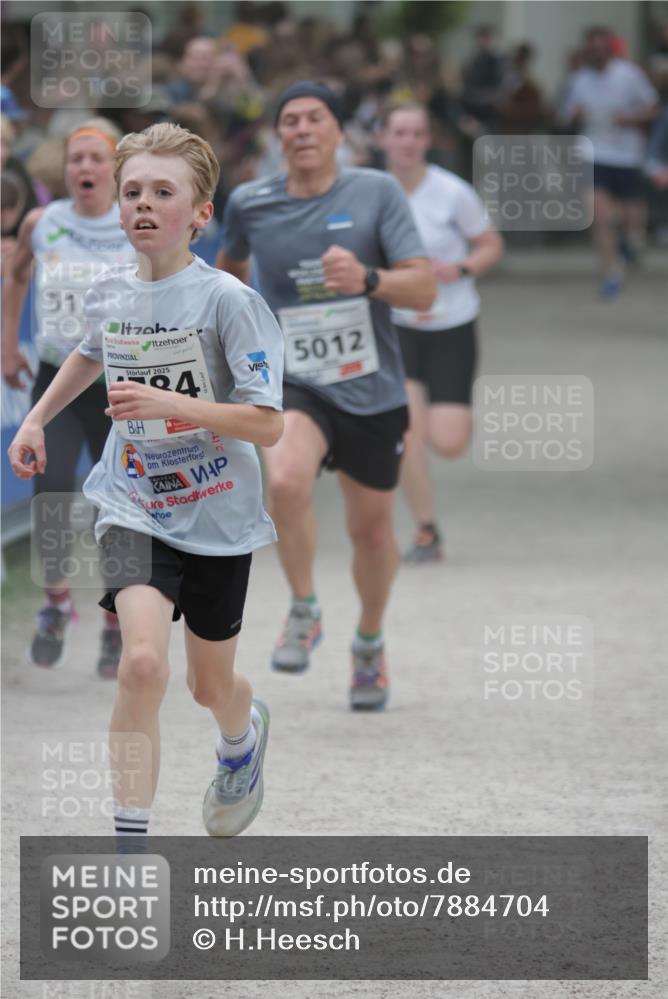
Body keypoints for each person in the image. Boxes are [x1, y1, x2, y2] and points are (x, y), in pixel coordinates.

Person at [8, 122, 284, 839]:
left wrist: (173, 405)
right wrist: (35, 420)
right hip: (132, 502)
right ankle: (131, 846)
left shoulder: (228, 301)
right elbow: (87, 353)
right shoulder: (110, 292)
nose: (142, 204)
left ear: (200, 214)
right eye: (132, 191)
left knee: (208, 686)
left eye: (164, 192)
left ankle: (240, 739)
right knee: (139, 665)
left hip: (218, 515)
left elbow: (266, 425)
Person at [216, 80, 436, 710]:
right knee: (285, 482)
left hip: (370, 388)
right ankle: (305, 607)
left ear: (339, 131)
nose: (303, 129)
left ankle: (369, 642)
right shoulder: (251, 202)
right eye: (290, 120)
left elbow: (424, 288)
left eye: (316, 118)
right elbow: (229, 273)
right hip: (297, 382)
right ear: (278, 135)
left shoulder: (376, 192)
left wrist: (367, 278)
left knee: (372, 532)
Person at [1, 118, 133, 676]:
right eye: (76, 158)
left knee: (119, 505)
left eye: (96, 158)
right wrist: (8, 345)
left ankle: (116, 621)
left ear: (115, 169)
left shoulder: (134, 222)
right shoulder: (43, 221)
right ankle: (56, 605)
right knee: (50, 491)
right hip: (58, 379)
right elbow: (16, 277)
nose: (84, 167)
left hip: (121, 386)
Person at [379, 102, 503, 563]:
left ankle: (449, 419)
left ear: (427, 141)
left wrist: (463, 267)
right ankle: (427, 530)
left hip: (452, 322)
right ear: (384, 139)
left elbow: (490, 244)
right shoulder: (372, 192)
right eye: (399, 132)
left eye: (416, 133)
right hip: (398, 325)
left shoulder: (453, 192)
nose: (408, 142)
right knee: (407, 430)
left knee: (448, 442)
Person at [560, 26, 658, 299]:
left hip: (627, 155)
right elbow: (564, 114)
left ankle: (630, 243)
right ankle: (611, 273)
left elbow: (652, 108)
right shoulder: (579, 79)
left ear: (609, 49)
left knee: (630, 218)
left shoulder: (630, 75)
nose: (597, 53)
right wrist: (574, 115)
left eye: (601, 48)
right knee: (599, 216)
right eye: (592, 48)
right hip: (592, 152)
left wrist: (632, 119)